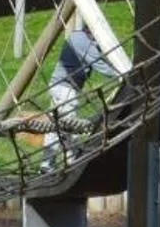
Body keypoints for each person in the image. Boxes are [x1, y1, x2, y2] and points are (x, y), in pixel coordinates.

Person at [45, 25, 121, 167]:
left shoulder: (77, 37)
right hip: (66, 88)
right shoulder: (82, 41)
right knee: (68, 125)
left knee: (54, 126)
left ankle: (46, 164)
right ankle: (73, 161)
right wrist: (121, 74)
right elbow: (98, 63)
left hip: (59, 85)